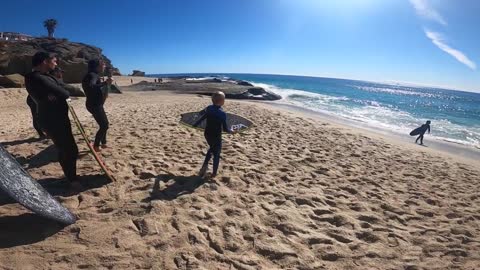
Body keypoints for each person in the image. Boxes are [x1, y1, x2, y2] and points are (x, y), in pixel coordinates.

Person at [24, 52, 80, 188]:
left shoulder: (44, 76)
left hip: (56, 117)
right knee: (70, 150)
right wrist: (58, 92)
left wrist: (57, 92)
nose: (56, 63)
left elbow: (61, 86)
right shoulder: (36, 77)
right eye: (54, 61)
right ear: (44, 61)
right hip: (52, 120)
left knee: (65, 149)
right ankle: (72, 180)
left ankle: (69, 176)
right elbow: (64, 93)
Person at [193, 91, 235, 178]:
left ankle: (205, 165)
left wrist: (195, 124)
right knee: (217, 153)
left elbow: (202, 115)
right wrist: (231, 131)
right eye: (224, 99)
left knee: (212, 148)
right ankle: (214, 173)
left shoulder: (209, 108)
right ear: (221, 101)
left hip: (207, 134)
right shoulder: (222, 114)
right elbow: (225, 129)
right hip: (216, 136)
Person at [82, 59, 112, 152]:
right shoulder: (92, 75)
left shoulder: (91, 74)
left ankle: (103, 143)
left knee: (104, 123)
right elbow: (91, 86)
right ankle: (96, 146)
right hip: (94, 105)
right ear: (97, 66)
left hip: (94, 103)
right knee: (104, 125)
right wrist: (105, 83)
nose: (104, 66)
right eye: (102, 65)